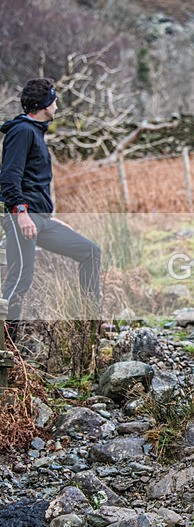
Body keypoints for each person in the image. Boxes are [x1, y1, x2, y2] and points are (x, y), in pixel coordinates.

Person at [0, 78, 101, 343]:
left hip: (40, 218)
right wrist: (20, 213)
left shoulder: (35, 132)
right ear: (45, 104)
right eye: (54, 100)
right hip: (23, 218)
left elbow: (32, 181)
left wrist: (48, 216)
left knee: (90, 252)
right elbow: (9, 177)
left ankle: (91, 323)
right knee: (21, 278)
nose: (57, 104)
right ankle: (5, 344)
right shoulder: (22, 131)